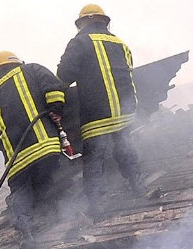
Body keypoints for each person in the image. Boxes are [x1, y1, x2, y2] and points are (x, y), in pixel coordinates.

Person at [57, 3, 145, 217]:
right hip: (124, 112)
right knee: (125, 148)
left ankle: (95, 206)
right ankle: (138, 187)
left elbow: (64, 75)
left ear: (84, 22)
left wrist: (54, 103)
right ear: (103, 21)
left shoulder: (79, 42)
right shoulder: (119, 43)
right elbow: (128, 72)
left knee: (95, 158)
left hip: (96, 115)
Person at [0, 50, 68, 244]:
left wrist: (8, 147)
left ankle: (25, 229)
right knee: (49, 180)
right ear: (16, 63)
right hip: (45, 145)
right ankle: (57, 215)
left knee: (21, 190)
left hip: (16, 159)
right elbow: (54, 88)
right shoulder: (32, 70)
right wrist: (56, 110)